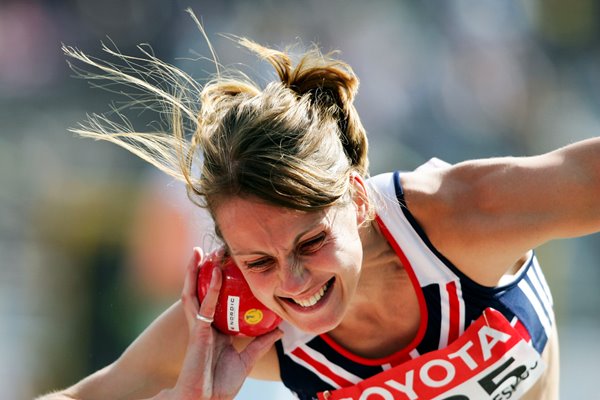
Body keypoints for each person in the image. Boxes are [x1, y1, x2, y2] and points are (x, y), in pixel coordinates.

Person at [38, 32, 600, 400]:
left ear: (356, 198)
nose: (293, 284)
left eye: (309, 243)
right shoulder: (236, 321)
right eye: (258, 260)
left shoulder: (463, 215)